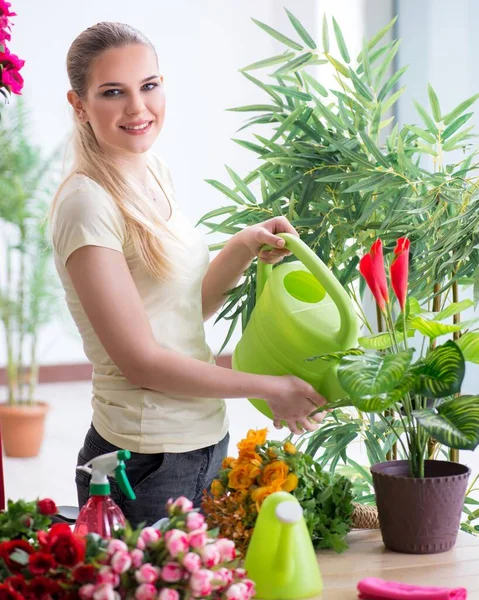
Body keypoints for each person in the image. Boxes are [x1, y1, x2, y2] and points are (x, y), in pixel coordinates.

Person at [49, 21, 327, 527]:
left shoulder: (151, 169)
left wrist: (242, 245)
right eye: (114, 92)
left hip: (201, 441)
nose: (138, 108)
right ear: (79, 105)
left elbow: (180, 310)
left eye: (149, 85)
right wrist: (269, 385)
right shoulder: (86, 205)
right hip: (145, 460)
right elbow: (142, 362)